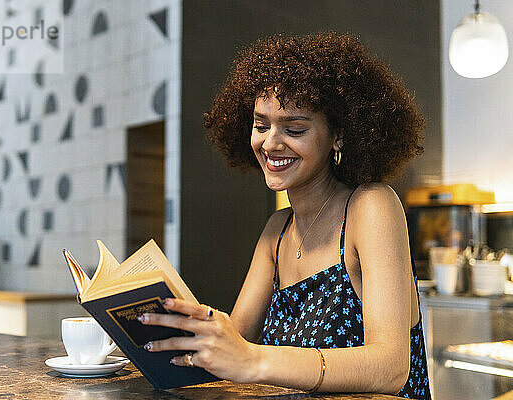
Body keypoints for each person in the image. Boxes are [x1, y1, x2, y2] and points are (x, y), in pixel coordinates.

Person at [138, 32, 431, 399]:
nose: (271, 143)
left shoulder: (371, 207)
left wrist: (254, 361)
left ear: (338, 136)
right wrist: (156, 324)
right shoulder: (277, 231)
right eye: (261, 125)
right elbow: (237, 338)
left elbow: (390, 369)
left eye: (294, 129)